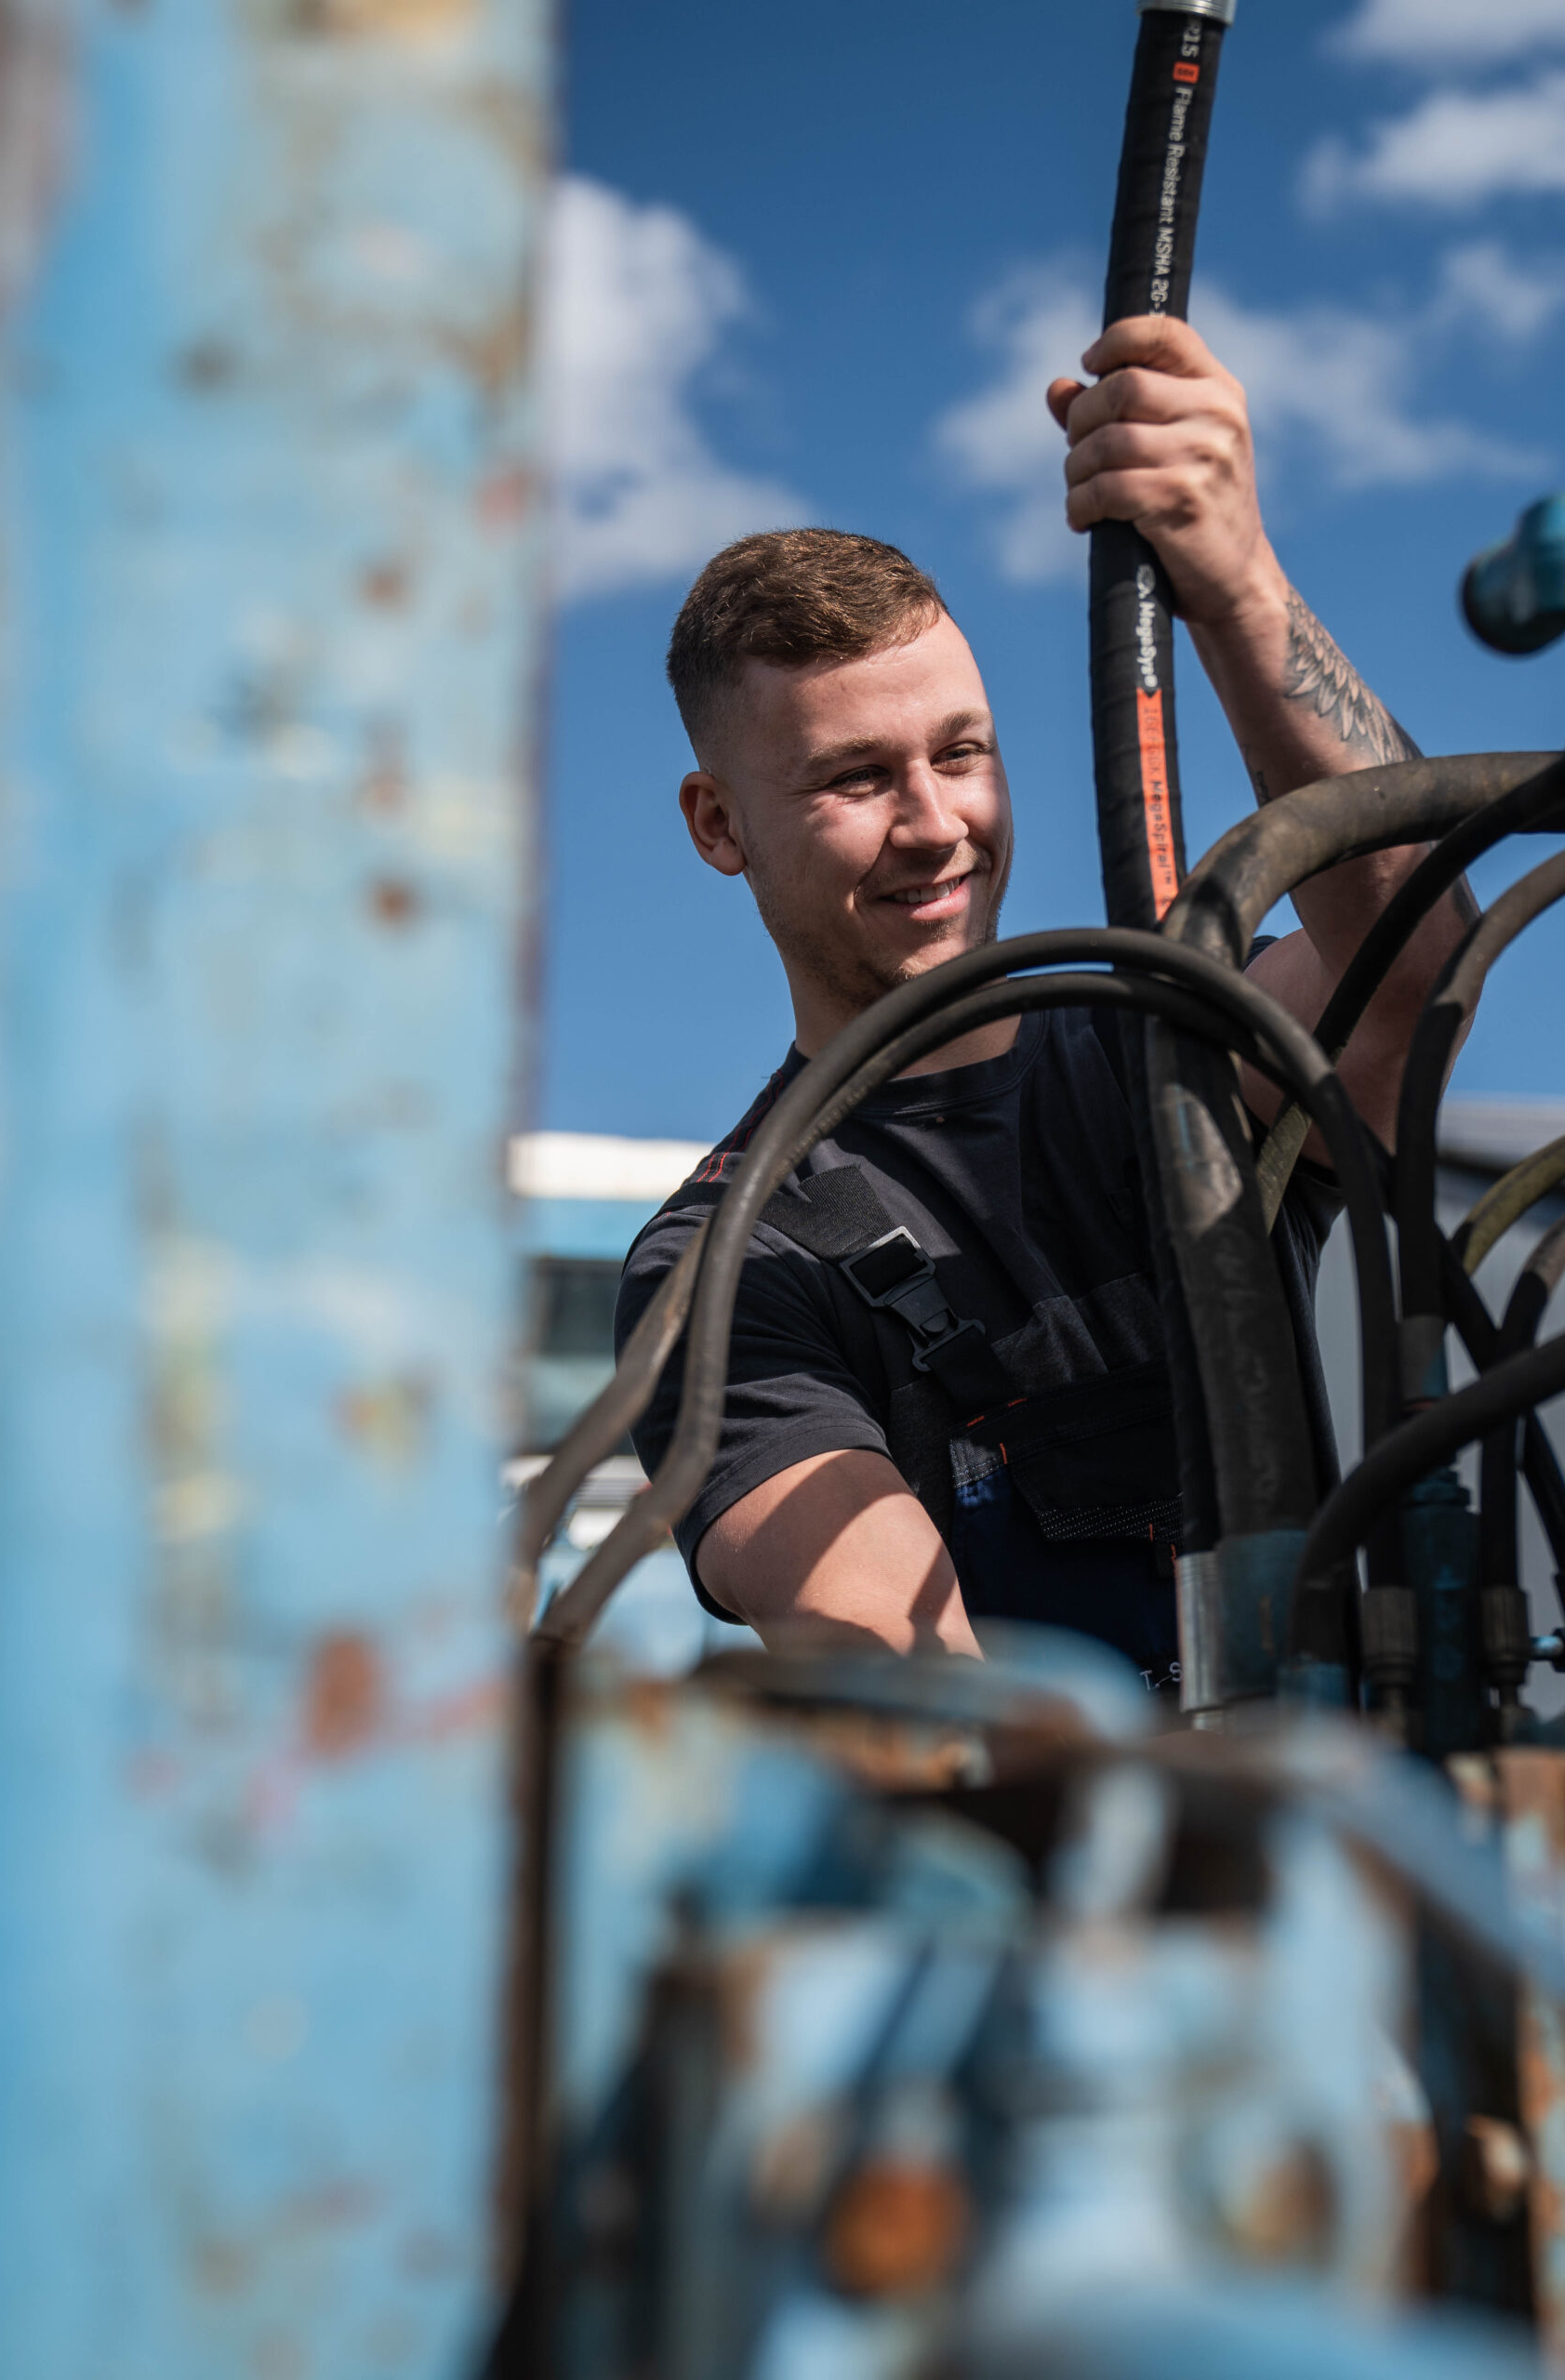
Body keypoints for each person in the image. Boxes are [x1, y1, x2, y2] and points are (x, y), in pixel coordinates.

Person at [614, 316, 1473, 1686]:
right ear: (720, 826)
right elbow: (921, 1685)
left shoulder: (1176, 1050)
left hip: (1363, 1820)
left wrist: (1238, 585)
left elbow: (1411, 972)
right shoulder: (729, 1267)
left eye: (963, 752)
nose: (935, 824)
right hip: (1076, 1884)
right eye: (853, 781)